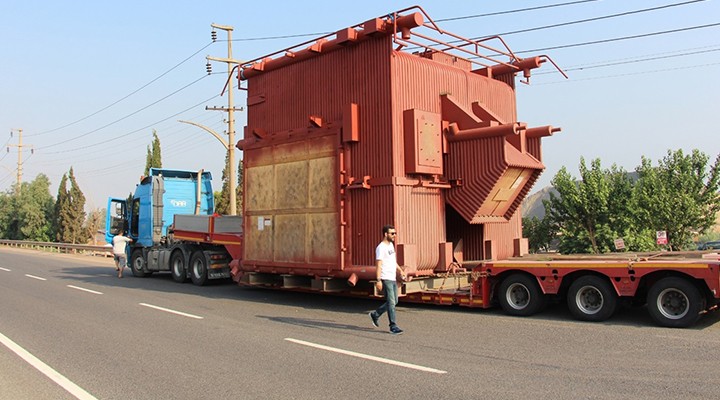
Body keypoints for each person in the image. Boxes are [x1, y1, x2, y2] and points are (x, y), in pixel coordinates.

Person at [369, 224, 406, 335]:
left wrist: (400, 271)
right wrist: (378, 280)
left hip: (392, 277)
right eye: (392, 233)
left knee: (395, 301)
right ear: (386, 234)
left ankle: (375, 314)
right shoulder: (381, 247)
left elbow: (392, 261)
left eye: (395, 233)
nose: (394, 235)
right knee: (391, 302)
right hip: (385, 278)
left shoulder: (390, 245)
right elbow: (379, 264)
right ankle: (393, 326)